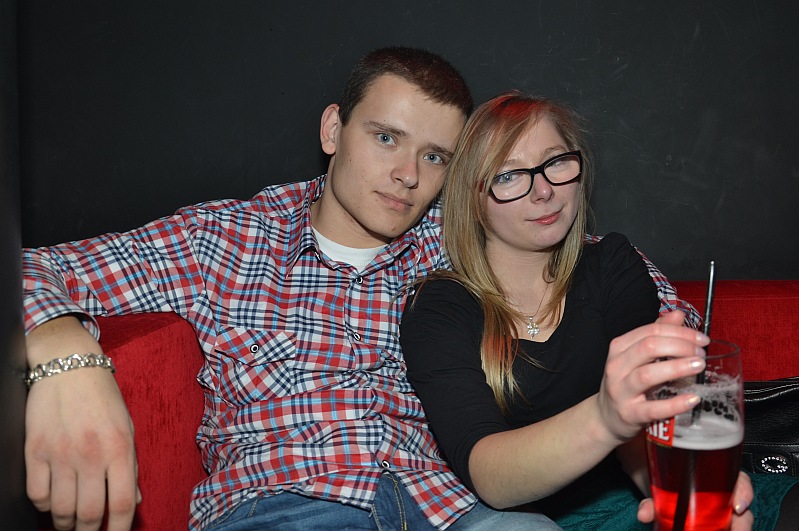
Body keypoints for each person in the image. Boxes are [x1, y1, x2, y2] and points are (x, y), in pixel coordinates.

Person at [24, 48, 697, 531]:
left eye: (434, 156)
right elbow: (31, 268)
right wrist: (66, 357)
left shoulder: (457, 240)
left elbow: (601, 274)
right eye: (386, 138)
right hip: (281, 505)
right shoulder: (226, 238)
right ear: (332, 130)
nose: (408, 174)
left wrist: (668, 360)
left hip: (445, 508)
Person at [400, 91, 758, 530]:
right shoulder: (440, 307)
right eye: (509, 175)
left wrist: (680, 494)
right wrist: (605, 417)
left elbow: (646, 419)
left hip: (627, 503)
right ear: (473, 198)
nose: (544, 190)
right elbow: (489, 475)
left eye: (555, 162)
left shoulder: (612, 265)